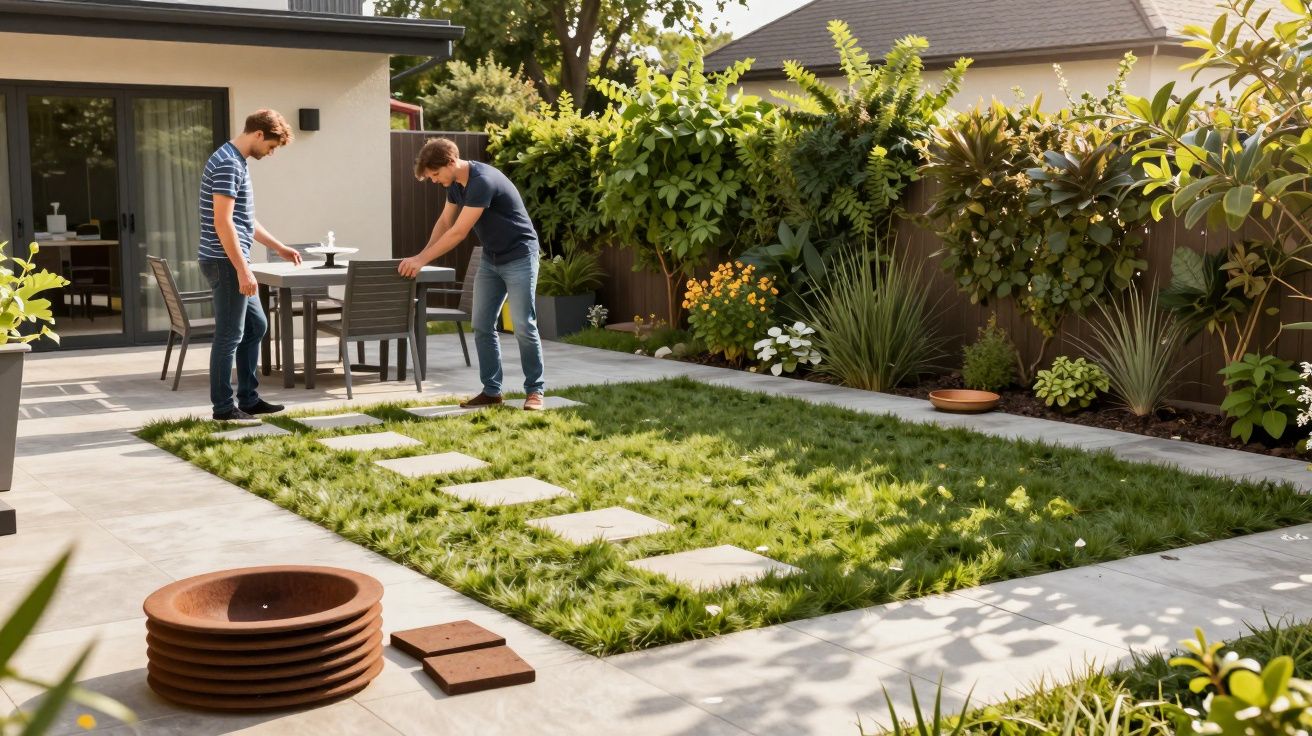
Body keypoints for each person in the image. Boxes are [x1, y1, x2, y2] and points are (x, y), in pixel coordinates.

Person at [399, 137, 546, 411]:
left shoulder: (483, 181)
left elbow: (459, 231)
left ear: (451, 163)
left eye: (435, 174)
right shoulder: (455, 185)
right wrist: (423, 256)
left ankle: (535, 391)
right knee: (481, 325)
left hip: (520, 256)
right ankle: (492, 391)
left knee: (524, 325)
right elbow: (445, 222)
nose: (433, 180)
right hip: (491, 259)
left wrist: (420, 259)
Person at [197, 109, 302, 421]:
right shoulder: (228, 163)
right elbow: (223, 222)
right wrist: (243, 269)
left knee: (256, 325)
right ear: (258, 134)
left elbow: (244, 218)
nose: (270, 153)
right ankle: (224, 408)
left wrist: (278, 246)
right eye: (271, 146)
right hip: (225, 261)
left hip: (231, 259)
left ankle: (249, 398)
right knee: (229, 335)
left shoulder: (235, 160)